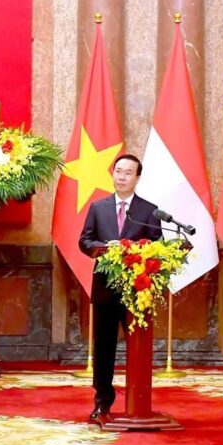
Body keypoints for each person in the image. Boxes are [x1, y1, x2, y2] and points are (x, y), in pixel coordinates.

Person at [78, 154, 162, 420]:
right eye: (118, 171)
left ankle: (138, 401)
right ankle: (103, 400)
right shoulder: (98, 207)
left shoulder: (150, 210)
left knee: (138, 348)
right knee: (104, 349)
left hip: (138, 291)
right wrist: (102, 249)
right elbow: (85, 240)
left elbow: (157, 244)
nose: (121, 177)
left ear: (137, 178)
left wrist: (137, 250)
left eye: (128, 173)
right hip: (106, 289)